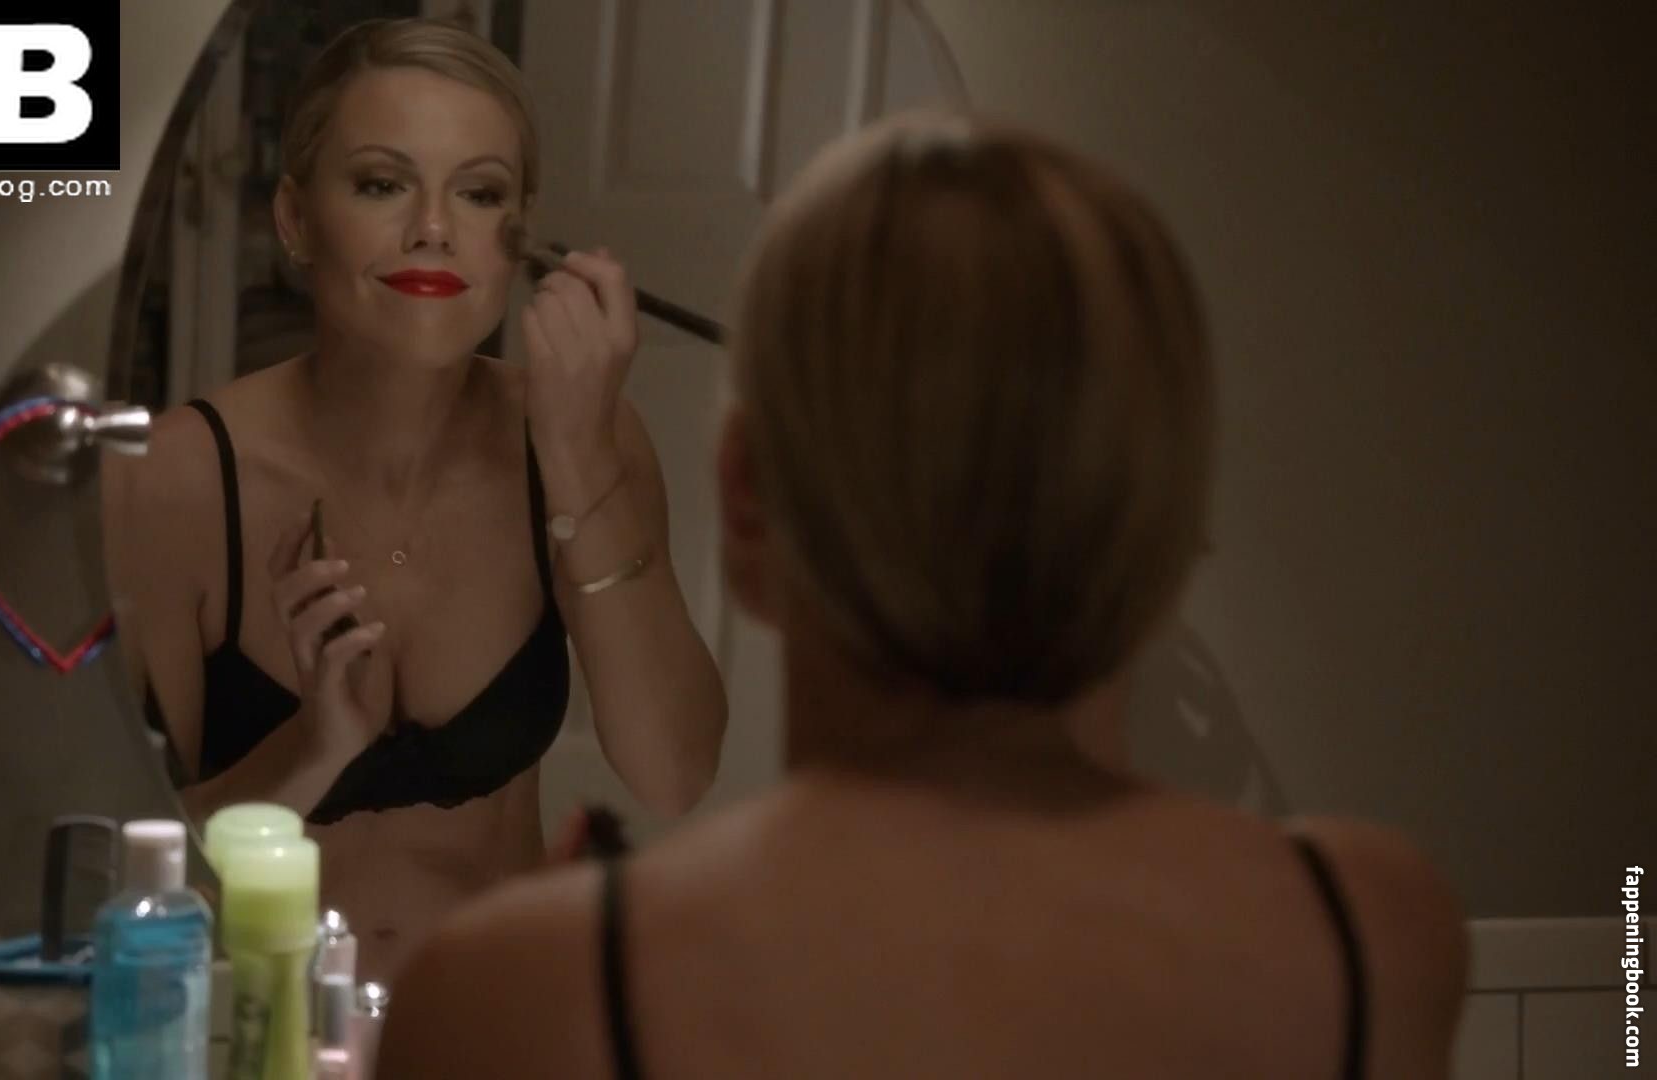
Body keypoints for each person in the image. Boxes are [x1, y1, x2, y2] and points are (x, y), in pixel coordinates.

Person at [372, 113, 1469, 1078]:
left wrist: (579, 950)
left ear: (747, 503)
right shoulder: (1369, 933)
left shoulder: (518, 993)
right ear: (1165, 509)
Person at [104, 18, 727, 980]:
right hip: (258, 1028)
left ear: (521, 239)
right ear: (294, 219)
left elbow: (674, 773)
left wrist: (578, 462)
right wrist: (312, 745)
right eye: (381, 184)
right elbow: (131, 888)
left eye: (479, 193)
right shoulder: (172, 478)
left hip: (492, 1024)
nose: (434, 228)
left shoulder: (582, 442)